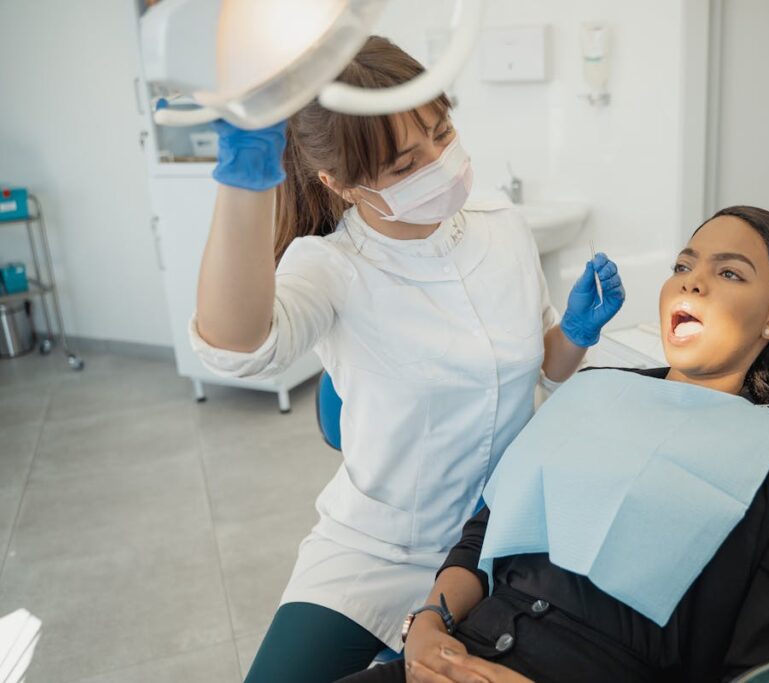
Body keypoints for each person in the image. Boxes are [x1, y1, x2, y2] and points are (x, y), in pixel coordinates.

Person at [188, 36, 625, 681]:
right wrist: (245, 182)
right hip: (378, 547)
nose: (439, 164)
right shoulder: (331, 267)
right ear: (339, 182)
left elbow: (547, 368)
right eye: (403, 166)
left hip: (495, 542)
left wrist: (578, 332)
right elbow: (237, 346)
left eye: (442, 132)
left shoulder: (501, 224)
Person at [341, 206, 769, 683]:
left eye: (730, 273)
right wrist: (428, 627)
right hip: (458, 655)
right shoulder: (595, 390)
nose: (692, 280)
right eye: (683, 265)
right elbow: (487, 531)